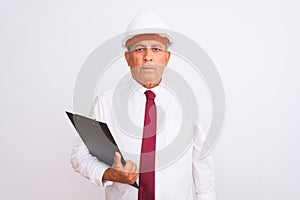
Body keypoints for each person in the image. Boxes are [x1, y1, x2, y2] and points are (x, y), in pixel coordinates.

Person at [71, 12, 216, 200]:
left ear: (166, 58)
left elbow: (202, 163)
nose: (148, 57)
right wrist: (108, 173)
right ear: (128, 59)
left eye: (156, 49)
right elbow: (79, 155)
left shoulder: (188, 102)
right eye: (139, 49)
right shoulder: (106, 103)